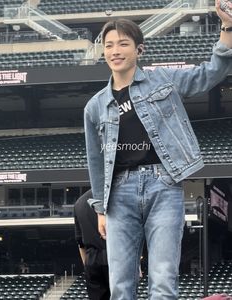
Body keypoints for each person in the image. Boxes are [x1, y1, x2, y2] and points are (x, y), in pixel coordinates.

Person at [84, 1, 232, 299]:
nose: (115, 50)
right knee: (120, 284)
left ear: (139, 50)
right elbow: (96, 161)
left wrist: (227, 27)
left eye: (123, 43)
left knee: (164, 277)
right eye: (109, 45)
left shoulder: (164, 79)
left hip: (164, 184)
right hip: (118, 195)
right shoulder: (94, 106)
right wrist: (100, 209)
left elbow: (209, 74)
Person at [74, 189, 110, 300]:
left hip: (91, 259)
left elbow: (80, 243)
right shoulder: (111, 195)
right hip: (114, 255)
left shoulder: (79, 203)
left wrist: (87, 266)